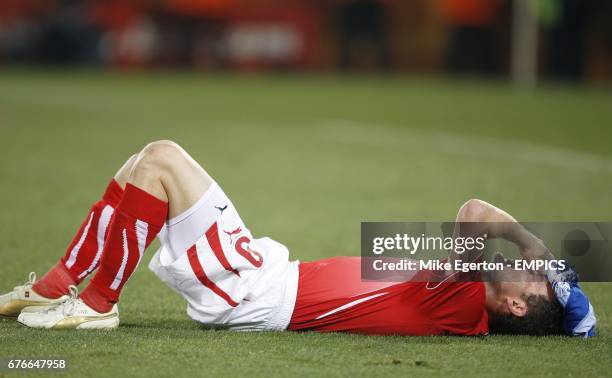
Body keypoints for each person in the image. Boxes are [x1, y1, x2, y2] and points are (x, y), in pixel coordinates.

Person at [0, 140, 595, 336]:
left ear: (517, 303)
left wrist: (529, 243)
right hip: (263, 274)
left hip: (255, 292)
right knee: (143, 162)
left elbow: (474, 211)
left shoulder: (467, 299)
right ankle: (58, 285)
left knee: (161, 158)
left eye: (539, 279)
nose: (532, 264)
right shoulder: (462, 292)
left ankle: (98, 303)